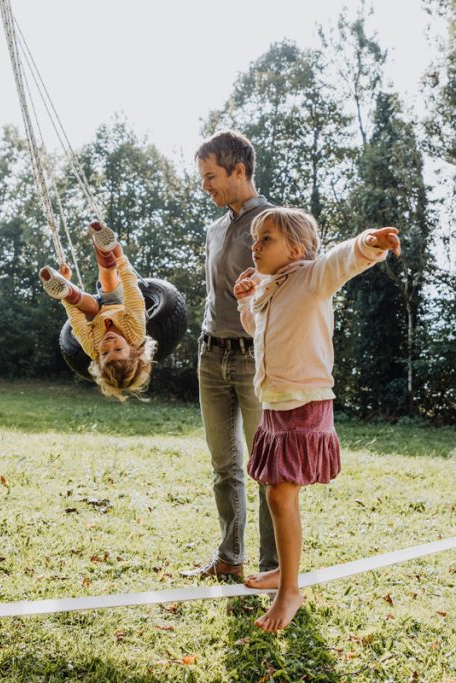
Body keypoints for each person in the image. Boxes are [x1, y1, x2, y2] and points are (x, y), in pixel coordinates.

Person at [233, 207, 401, 632]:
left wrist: (370, 243)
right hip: (276, 403)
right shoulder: (270, 289)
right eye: (255, 238)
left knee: (279, 497)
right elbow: (261, 330)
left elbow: (343, 259)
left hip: (305, 403)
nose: (255, 245)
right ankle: (282, 575)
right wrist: (244, 302)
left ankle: (290, 590)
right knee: (275, 491)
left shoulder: (311, 277)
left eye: (265, 238)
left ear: (297, 248)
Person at [182, 130, 278, 580]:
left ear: (240, 171)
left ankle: (272, 567)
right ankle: (229, 556)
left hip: (255, 359)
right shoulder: (216, 227)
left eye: (211, 176)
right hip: (210, 357)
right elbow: (212, 296)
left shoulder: (274, 224)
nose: (205, 186)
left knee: (266, 467)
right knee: (225, 466)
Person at [40, 221, 157, 401]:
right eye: (118, 349)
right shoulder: (135, 333)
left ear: (97, 359)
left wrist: (66, 286)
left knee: (84, 305)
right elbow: (134, 297)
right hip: (119, 304)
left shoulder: (91, 347)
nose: (109, 345)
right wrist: (121, 259)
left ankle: (67, 290)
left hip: (95, 313)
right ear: (133, 351)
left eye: (104, 353)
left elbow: (77, 321)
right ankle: (104, 248)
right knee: (109, 281)